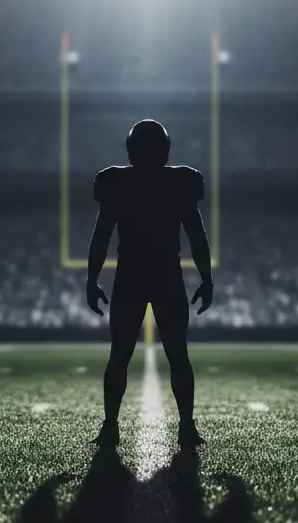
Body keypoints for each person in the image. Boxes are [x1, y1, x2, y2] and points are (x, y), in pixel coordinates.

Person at [85, 119, 214, 447]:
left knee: (121, 352)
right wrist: (206, 278)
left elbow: (102, 236)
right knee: (176, 353)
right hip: (165, 272)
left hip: (131, 272)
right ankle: (186, 426)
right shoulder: (180, 183)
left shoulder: (117, 183)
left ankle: (111, 426)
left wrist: (92, 278)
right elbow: (196, 235)